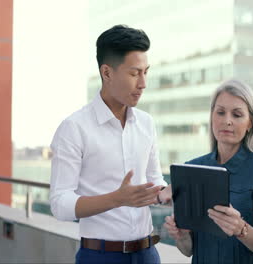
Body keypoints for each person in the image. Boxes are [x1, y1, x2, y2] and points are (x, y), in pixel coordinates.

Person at [50, 25, 172, 264]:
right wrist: (117, 199)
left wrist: (164, 194)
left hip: (148, 253)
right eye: (135, 73)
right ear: (107, 73)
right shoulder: (74, 128)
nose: (143, 83)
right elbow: (59, 204)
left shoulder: (146, 123)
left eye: (146, 72)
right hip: (99, 256)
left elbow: (154, 179)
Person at [163, 79, 253, 263]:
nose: (227, 121)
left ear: (250, 123)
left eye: (237, 115)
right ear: (212, 116)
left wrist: (240, 228)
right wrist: (181, 236)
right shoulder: (192, 168)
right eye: (220, 112)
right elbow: (188, 251)